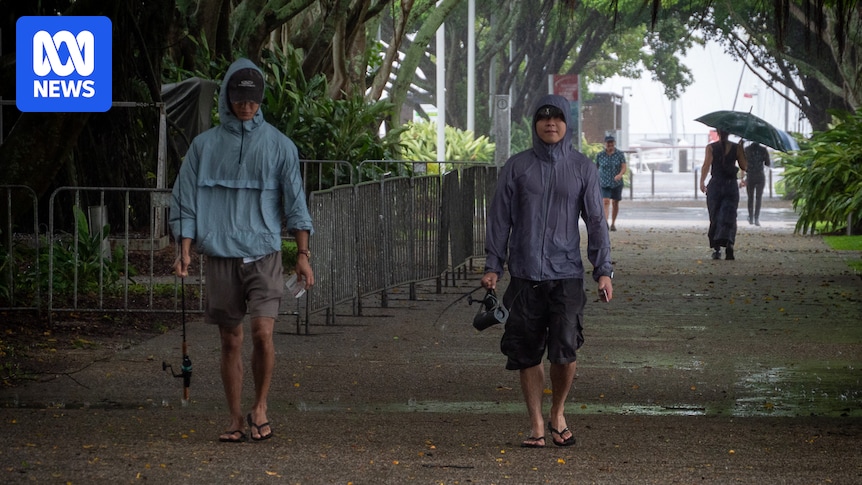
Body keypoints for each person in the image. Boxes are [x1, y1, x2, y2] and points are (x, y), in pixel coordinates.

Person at [170, 58, 314, 443]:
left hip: (264, 253)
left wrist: (302, 254)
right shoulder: (204, 147)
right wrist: (184, 250)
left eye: (252, 100)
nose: (245, 106)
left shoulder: (280, 146)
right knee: (230, 339)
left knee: (262, 334)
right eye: (238, 99)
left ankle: (261, 406)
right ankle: (235, 417)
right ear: (226, 98)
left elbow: (296, 203)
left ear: (261, 99)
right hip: (220, 255)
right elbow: (185, 200)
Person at [481, 94, 614, 449]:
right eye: (543, 117)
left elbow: (596, 221)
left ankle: (557, 410)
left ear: (567, 124)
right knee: (526, 352)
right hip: (524, 276)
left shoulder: (582, 167)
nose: (550, 123)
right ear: (534, 124)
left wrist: (603, 270)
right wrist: (494, 265)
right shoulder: (517, 166)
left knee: (565, 350)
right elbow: (499, 219)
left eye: (557, 117)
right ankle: (537, 423)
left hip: (566, 274)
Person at [699, 129, 747, 260]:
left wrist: (702, 182)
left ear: (718, 133)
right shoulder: (736, 147)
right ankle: (729, 245)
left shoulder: (711, 148)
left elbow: (706, 165)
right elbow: (744, 166)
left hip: (715, 185)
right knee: (730, 215)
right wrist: (741, 150)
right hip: (731, 185)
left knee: (715, 216)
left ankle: (717, 249)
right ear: (729, 133)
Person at [595, 134, 627, 231]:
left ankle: (613, 223)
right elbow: (595, 168)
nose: (610, 144)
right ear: (605, 144)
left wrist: (620, 175)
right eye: (608, 143)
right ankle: (605, 223)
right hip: (604, 182)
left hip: (616, 182)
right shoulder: (600, 155)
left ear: (614, 143)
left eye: (611, 142)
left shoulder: (620, 154)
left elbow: (624, 167)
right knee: (605, 201)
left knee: (615, 202)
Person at [743, 141, 770, 226]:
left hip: (750, 175)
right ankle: (756, 218)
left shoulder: (746, 150)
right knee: (759, 198)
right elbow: (767, 163)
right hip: (760, 175)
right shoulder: (763, 150)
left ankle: (750, 217)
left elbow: (743, 164)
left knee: (750, 197)